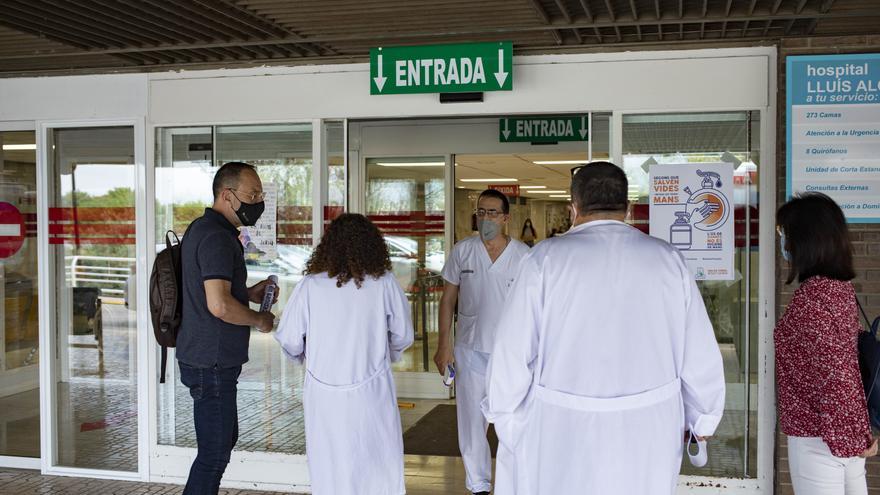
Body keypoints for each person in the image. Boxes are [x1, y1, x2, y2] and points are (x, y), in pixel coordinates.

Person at [483, 162, 725, 495]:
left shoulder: (544, 260)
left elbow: (512, 350)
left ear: (574, 208)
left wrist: (506, 416)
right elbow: (697, 349)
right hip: (650, 424)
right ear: (627, 209)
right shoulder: (667, 259)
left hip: (562, 426)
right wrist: (704, 417)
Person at [274, 213, 414, 495]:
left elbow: (289, 338)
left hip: (324, 394)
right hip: (371, 390)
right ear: (372, 245)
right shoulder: (383, 282)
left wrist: (305, 358)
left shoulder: (311, 285)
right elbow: (403, 334)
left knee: (330, 465)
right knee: (377, 463)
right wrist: (389, 353)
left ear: (329, 245)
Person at [176, 161, 277, 495]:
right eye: (252, 194)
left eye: (260, 194)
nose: (258, 201)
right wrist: (259, 319)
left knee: (219, 445)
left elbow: (211, 294)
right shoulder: (217, 237)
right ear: (227, 195)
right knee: (214, 454)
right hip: (212, 361)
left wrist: (247, 294)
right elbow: (218, 305)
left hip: (206, 357)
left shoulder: (201, 229)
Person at [775, 192, 877, 495]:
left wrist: (849, 442)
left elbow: (836, 375)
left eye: (785, 234)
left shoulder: (811, 301)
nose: (783, 242)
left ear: (805, 241)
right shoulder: (841, 291)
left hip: (819, 440)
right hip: (845, 435)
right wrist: (855, 437)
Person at [433, 189, 530, 495]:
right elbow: (448, 301)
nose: (486, 218)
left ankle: (514, 483)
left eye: (492, 213)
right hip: (470, 349)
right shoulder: (463, 251)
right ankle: (478, 486)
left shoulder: (524, 256)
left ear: (506, 218)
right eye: (481, 212)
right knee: (472, 422)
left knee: (513, 420)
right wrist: (443, 345)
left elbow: (533, 306)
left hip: (511, 354)